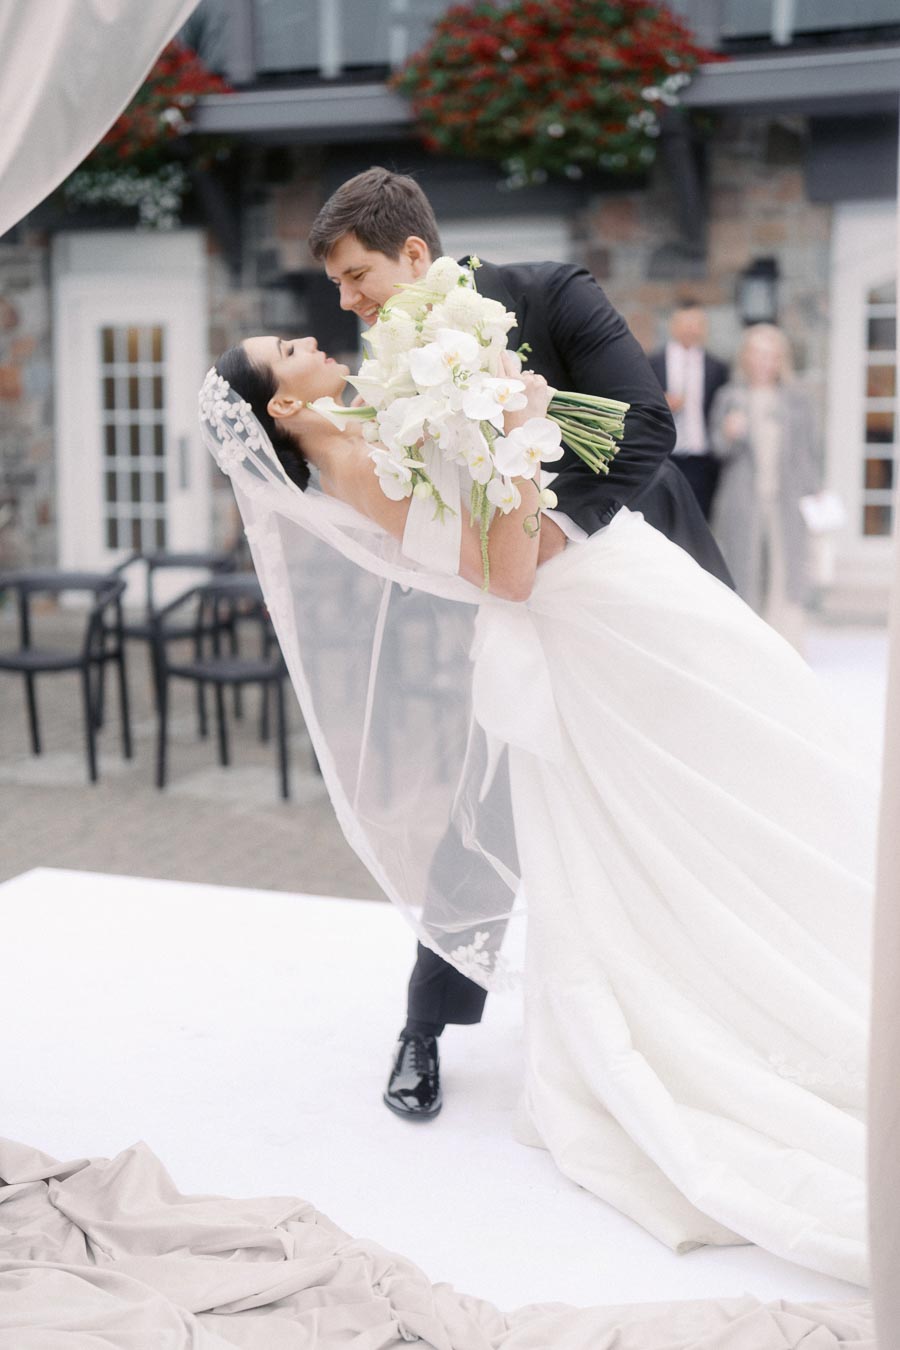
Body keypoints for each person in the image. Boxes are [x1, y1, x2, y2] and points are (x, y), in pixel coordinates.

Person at [201, 333, 873, 1286]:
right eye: (288, 348)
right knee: (710, 778)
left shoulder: (375, 417)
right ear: (282, 406)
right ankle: (740, 996)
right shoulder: (351, 467)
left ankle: (771, 958)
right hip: (582, 607)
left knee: (749, 752)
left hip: (621, 578)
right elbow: (503, 571)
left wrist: (499, 423)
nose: (318, 330)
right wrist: (512, 429)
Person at [306, 166, 734, 1122]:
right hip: (518, 604)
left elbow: (646, 427)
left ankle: (688, 1018)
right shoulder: (390, 367)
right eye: (336, 285)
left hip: (632, 568)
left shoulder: (555, 293)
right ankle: (425, 1024)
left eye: (356, 276)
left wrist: (542, 532)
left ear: (414, 253)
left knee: (681, 789)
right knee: (487, 799)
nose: (347, 302)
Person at [709, 324, 822, 654]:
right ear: (745, 357)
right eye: (757, 354)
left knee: (785, 570)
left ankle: (786, 645)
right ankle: (747, 646)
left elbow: (810, 451)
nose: (763, 362)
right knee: (744, 569)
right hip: (743, 500)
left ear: (781, 360)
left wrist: (815, 491)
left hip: (787, 500)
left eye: (771, 355)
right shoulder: (729, 397)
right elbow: (718, 449)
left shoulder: (797, 400)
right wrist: (729, 433)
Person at [648, 300, 730, 520]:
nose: (691, 330)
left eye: (696, 324)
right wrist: (661, 405)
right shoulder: (652, 364)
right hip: (665, 457)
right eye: (685, 323)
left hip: (703, 460)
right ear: (673, 325)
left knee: (700, 520)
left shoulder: (717, 368)